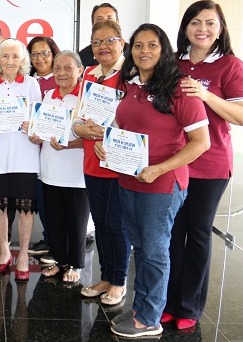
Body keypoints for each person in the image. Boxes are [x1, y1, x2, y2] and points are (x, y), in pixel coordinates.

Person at [98, 24, 210, 338]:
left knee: (155, 250)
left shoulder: (179, 88)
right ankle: (143, 309)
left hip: (161, 185)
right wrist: (106, 144)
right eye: (138, 46)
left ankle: (149, 319)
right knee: (142, 248)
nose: (144, 51)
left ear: (164, 51)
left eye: (152, 45)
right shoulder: (132, 85)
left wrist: (159, 170)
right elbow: (124, 127)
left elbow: (200, 142)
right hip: (130, 180)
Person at [164, 0, 243, 330]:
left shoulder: (230, 66)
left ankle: (190, 307)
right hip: (174, 161)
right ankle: (168, 302)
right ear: (185, 28)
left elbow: (239, 116)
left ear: (220, 29)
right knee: (172, 234)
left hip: (210, 165)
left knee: (197, 233)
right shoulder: (171, 63)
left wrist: (206, 95)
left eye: (210, 23)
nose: (203, 29)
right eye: (196, 22)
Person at [74, 19, 131, 305]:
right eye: (97, 42)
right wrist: (78, 129)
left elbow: (134, 119)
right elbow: (78, 118)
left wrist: (109, 135)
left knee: (115, 224)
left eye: (110, 41)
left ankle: (119, 280)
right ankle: (106, 276)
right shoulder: (89, 75)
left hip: (116, 161)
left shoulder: (130, 74)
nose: (103, 47)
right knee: (99, 222)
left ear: (122, 42)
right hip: (91, 162)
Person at [0, 39, 41, 277]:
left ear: (23, 60)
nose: (10, 61)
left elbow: (39, 119)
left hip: (24, 154)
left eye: (15, 56)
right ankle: (5, 251)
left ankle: (23, 254)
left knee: (25, 208)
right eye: (5, 56)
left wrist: (33, 126)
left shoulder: (31, 84)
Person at [28, 50, 87, 283]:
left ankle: (76, 264)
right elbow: (41, 128)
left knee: (76, 221)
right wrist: (35, 135)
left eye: (68, 68)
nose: (62, 73)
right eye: (57, 69)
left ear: (80, 70)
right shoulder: (49, 95)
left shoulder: (85, 97)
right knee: (55, 221)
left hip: (76, 172)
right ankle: (60, 261)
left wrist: (70, 144)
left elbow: (96, 136)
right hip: (49, 170)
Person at [25, 36, 60, 262]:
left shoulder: (61, 81)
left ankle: (60, 241)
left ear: (54, 54)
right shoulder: (26, 82)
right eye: (34, 54)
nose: (39, 58)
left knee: (57, 198)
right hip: (30, 152)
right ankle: (49, 237)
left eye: (45, 53)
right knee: (41, 198)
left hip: (56, 150)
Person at [78, 3, 130, 67]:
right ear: (92, 24)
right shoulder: (82, 57)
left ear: (117, 23)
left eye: (109, 18)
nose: (104, 22)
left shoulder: (132, 53)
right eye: (99, 19)